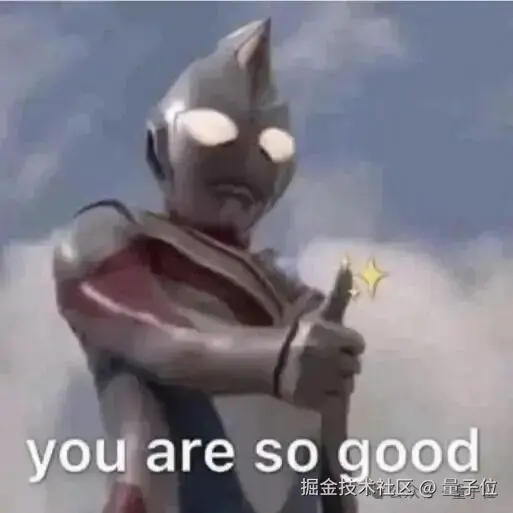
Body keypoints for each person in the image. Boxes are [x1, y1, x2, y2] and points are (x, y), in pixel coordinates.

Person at [53, 19, 365, 513]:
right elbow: (158, 339)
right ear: (161, 145)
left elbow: (329, 466)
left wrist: (319, 376)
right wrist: (275, 359)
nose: (246, 161)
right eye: (213, 130)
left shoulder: (295, 302)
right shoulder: (112, 235)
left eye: (272, 147)